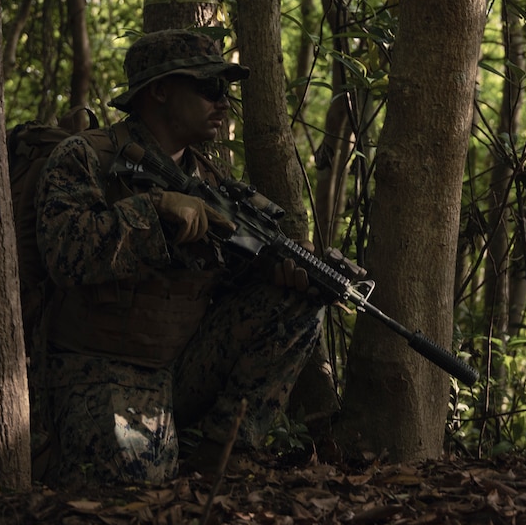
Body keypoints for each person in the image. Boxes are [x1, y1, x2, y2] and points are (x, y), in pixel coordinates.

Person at [33, 28, 324, 487]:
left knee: (300, 302)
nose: (223, 102)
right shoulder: (86, 156)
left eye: (225, 90)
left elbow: (223, 280)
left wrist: (282, 268)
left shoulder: (208, 180)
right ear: (160, 91)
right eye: (209, 89)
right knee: (133, 492)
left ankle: (222, 455)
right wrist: (155, 211)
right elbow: (66, 253)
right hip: (98, 364)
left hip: (179, 363)